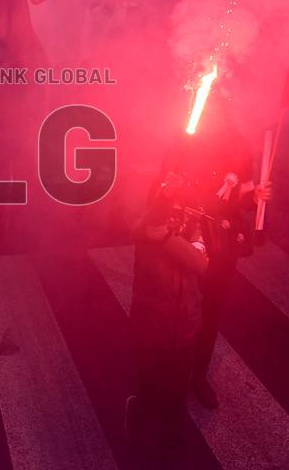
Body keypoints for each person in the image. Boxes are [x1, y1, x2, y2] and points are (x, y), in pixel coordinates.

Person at [157, 104, 271, 409]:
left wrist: (254, 196)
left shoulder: (239, 146)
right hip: (187, 240)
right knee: (180, 309)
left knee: (211, 311)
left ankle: (198, 374)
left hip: (221, 243)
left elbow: (241, 195)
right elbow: (162, 191)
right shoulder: (184, 141)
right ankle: (171, 371)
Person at [125, 171, 209, 458]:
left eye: (178, 209)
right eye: (168, 209)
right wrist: (161, 217)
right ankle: (137, 413)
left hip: (185, 326)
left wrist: (169, 239)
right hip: (151, 327)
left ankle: (171, 437)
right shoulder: (144, 228)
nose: (174, 215)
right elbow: (148, 228)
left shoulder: (190, 229)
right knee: (149, 387)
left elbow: (199, 263)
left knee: (177, 391)